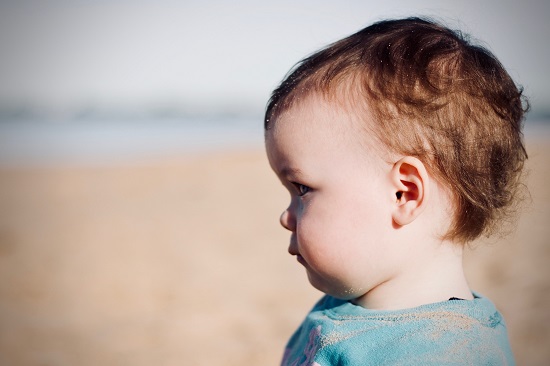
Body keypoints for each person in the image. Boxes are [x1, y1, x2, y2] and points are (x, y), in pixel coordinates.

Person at [264, 17, 528, 365]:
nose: (286, 217)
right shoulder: (344, 306)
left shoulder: (445, 356)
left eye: (302, 188)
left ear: (404, 194)